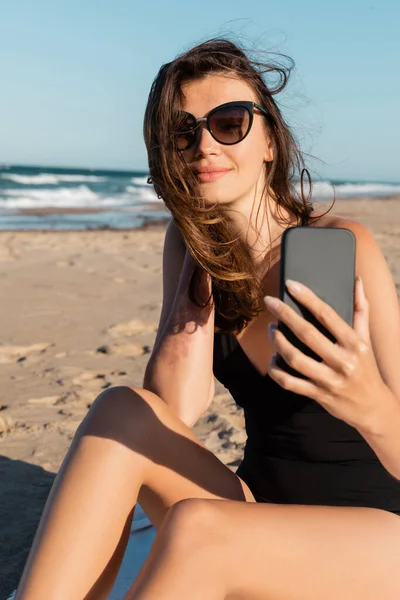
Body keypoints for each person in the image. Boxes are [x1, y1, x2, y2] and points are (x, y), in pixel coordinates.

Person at [15, 38, 400, 600]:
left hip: (374, 538)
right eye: (183, 130)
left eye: (229, 122)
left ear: (269, 140)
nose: (204, 145)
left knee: (198, 527)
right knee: (122, 410)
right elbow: (175, 411)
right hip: (258, 514)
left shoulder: (345, 246)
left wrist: (367, 400)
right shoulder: (189, 245)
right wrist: (198, 273)